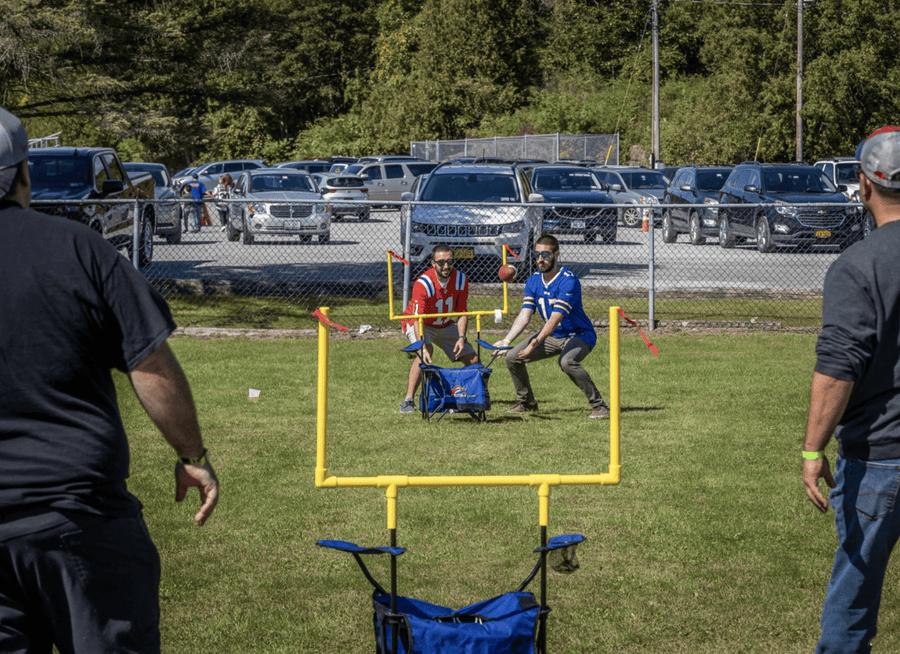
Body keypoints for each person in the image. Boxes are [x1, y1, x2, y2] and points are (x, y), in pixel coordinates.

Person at [0, 107, 219, 652]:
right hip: (79, 516)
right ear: (23, 173)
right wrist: (192, 455)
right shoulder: (78, 249)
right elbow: (153, 368)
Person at [803, 125, 900, 653]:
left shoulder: (858, 265)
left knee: (854, 599)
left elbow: (837, 369)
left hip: (879, 459)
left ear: (864, 186)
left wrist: (812, 448)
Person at [495, 234, 610, 419]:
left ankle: (600, 406)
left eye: (546, 255)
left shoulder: (568, 280)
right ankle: (527, 403)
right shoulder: (533, 280)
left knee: (567, 362)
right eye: (537, 254)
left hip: (578, 334)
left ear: (556, 255)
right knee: (511, 357)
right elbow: (525, 315)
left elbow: (554, 319)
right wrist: (506, 340)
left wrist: (535, 343)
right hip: (552, 335)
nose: (540, 259)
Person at [399, 245, 479, 413]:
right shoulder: (424, 283)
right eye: (441, 262)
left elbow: (462, 312)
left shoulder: (461, 280)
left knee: (473, 360)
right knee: (426, 352)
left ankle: (471, 397)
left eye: (450, 261)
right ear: (433, 263)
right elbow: (417, 318)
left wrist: (462, 337)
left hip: (444, 323)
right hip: (420, 323)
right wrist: (421, 346)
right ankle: (408, 400)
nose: (446, 266)